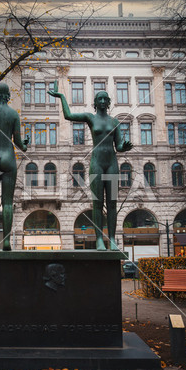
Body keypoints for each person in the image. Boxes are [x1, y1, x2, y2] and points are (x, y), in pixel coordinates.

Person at [48, 81, 132, 251]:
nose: (102, 101)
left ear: (108, 103)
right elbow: (68, 116)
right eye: (99, 99)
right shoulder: (90, 117)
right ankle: (99, 239)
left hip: (112, 163)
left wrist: (125, 147)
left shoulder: (115, 122)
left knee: (113, 202)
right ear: (95, 103)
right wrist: (62, 97)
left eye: (104, 99)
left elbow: (119, 146)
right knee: (97, 203)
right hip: (96, 163)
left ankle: (113, 239)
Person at [0, 83, 28, 250]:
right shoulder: (14, 114)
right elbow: (18, 143)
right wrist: (24, 145)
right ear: (8, 95)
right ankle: (7, 241)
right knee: (8, 203)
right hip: (9, 159)